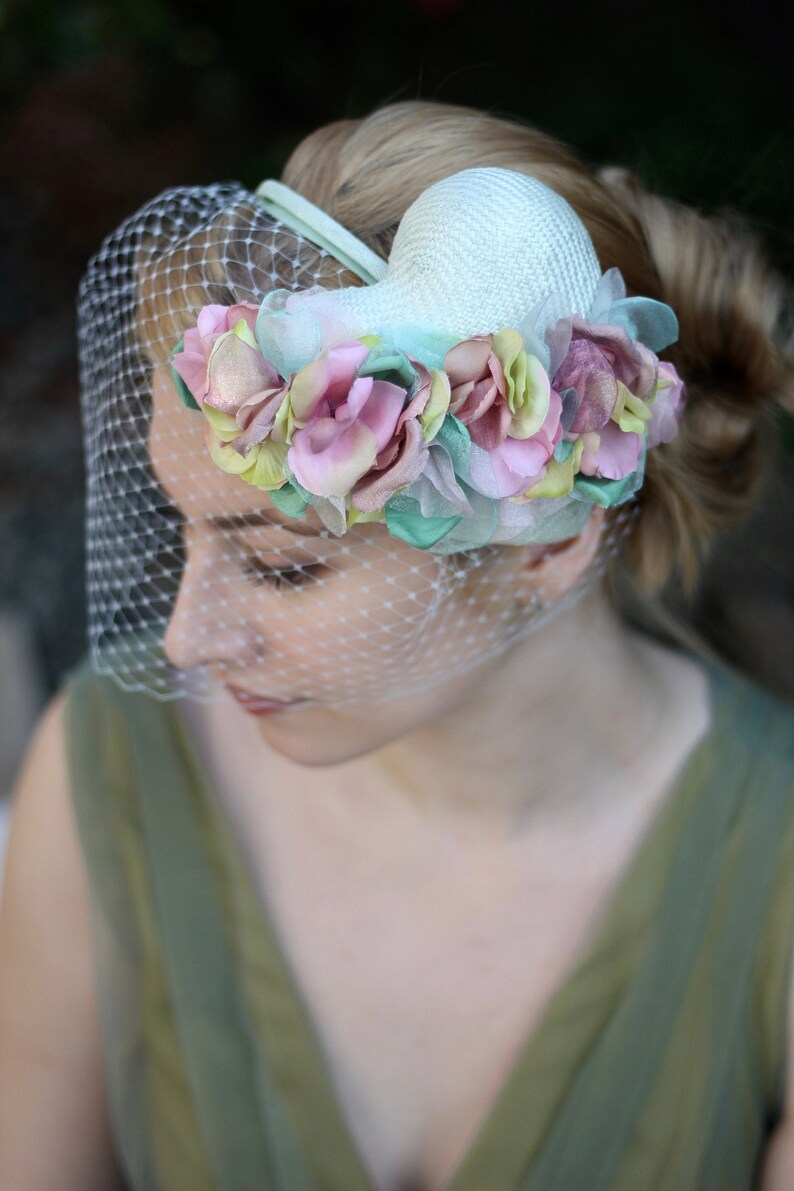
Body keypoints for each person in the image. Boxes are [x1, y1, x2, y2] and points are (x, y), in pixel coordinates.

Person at [1, 99, 793, 1191]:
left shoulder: (773, 874)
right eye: (184, 529)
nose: (186, 638)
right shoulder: (109, 770)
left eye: (280, 564)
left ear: (544, 543)